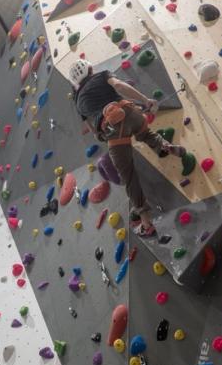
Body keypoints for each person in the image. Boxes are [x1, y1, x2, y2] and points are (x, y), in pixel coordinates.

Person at [70, 59, 186, 236]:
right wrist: (145, 100)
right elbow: (120, 86)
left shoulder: (78, 103)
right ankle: (163, 145)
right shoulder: (102, 76)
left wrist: (101, 135)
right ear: (91, 69)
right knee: (145, 133)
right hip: (131, 112)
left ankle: (146, 223)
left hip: (113, 128)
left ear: (77, 84)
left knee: (129, 175)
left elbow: (93, 129)